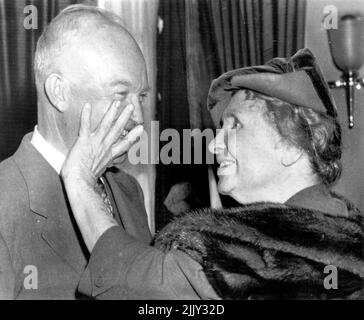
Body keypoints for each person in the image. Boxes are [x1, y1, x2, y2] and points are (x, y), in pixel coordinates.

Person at [62, 48, 364, 299]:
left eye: (235, 125)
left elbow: (143, 286)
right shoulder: (343, 228)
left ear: (292, 147)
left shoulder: (253, 257)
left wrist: (79, 180)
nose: (215, 144)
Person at [0, 5, 149, 299]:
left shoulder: (128, 189)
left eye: (141, 95)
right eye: (121, 94)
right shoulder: (4, 200)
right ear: (59, 92)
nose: (140, 117)